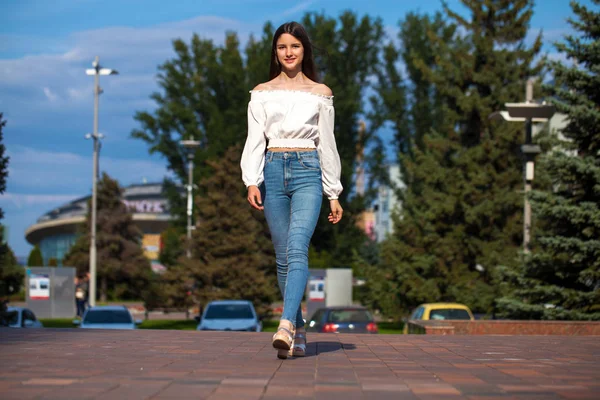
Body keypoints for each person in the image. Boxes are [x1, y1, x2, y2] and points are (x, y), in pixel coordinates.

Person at [241, 21, 343, 359]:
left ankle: (285, 323)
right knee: (283, 257)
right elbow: (254, 140)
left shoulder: (320, 93)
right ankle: (297, 333)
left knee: (298, 247)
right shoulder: (261, 93)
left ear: (304, 52)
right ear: (276, 51)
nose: (288, 52)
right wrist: (251, 180)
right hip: (271, 170)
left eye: (295, 47)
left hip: (308, 171)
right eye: (283, 47)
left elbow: (327, 144)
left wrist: (333, 191)